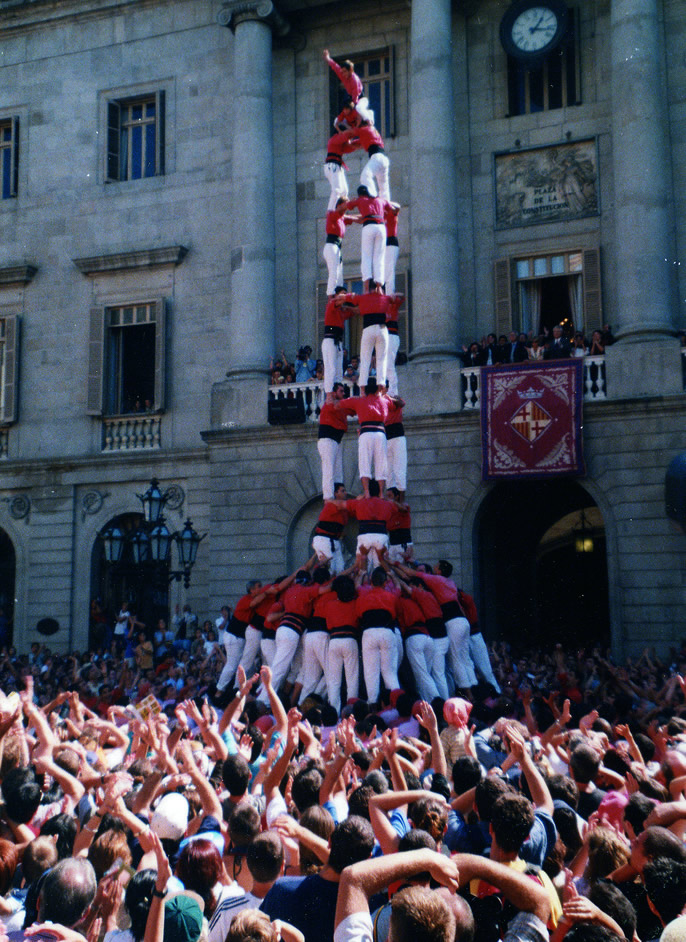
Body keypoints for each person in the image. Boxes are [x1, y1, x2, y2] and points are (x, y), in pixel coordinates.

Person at [336, 380, 391, 497]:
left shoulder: (358, 400)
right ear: (377, 389)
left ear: (365, 389)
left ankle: (366, 491)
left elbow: (339, 404)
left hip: (366, 432)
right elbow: (398, 403)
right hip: (380, 432)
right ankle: (381, 493)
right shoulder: (384, 400)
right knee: (381, 463)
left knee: (364, 463)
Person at [339, 283, 393, 389]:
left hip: (368, 329)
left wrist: (345, 304)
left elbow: (349, 302)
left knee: (365, 360)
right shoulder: (386, 298)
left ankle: (362, 389)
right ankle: (381, 388)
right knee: (381, 360)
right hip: (382, 329)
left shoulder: (363, 298)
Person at [339, 187, 394, 292]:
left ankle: (366, 286)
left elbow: (348, 206)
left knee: (367, 256)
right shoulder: (380, 200)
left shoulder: (361, 200)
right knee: (379, 257)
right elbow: (391, 209)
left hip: (368, 226)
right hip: (381, 226)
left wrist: (353, 201)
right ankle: (379, 287)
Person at [317, 385, 348, 501]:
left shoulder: (341, 406)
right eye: (341, 391)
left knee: (338, 470)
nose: (344, 393)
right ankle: (328, 498)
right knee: (328, 469)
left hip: (336, 441)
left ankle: (338, 493)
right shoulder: (330, 403)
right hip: (327, 440)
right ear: (333, 393)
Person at [323, 199, 359, 296]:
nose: (346, 207)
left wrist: (372, 215)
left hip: (337, 247)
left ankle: (338, 294)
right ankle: (330, 295)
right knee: (334, 272)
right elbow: (340, 211)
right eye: (344, 204)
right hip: (331, 246)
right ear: (338, 205)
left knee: (339, 275)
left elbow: (357, 218)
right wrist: (350, 203)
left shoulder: (342, 218)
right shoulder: (332, 214)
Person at [313, 482, 349, 573]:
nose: (346, 493)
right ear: (335, 493)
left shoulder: (342, 508)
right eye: (343, 491)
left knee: (340, 569)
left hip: (334, 540)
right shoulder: (331, 504)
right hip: (324, 539)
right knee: (329, 570)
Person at [322, 295, 353, 395]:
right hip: (330, 340)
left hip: (338, 342)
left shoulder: (341, 312)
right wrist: (350, 297)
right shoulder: (331, 304)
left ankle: (338, 392)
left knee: (338, 370)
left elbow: (355, 311)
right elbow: (337, 301)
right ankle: (329, 394)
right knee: (331, 369)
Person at [384, 396, 406, 500]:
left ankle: (401, 500)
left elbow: (401, 404)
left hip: (397, 435)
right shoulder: (380, 400)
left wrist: (389, 398)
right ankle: (391, 498)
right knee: (388, 470)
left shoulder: (395, 399)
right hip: (386, 435)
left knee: (399, 468)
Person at [385, 292, 404, 397]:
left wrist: (393, 294)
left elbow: (402, 296)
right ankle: (389, 388)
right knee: (384, 365)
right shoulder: (380, 307)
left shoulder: (393, 304)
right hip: (384, 336)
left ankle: (393, 390)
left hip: (391, 335)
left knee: (389, 364)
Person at [383, 202, 400, 294]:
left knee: (389, 268)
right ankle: (385, 291)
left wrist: (386, 202)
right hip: (383, 243)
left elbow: (398, 207)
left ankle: (389, 292)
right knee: (383, 270)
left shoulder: (391, 212)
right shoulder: (381, 216)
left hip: (391, 241)